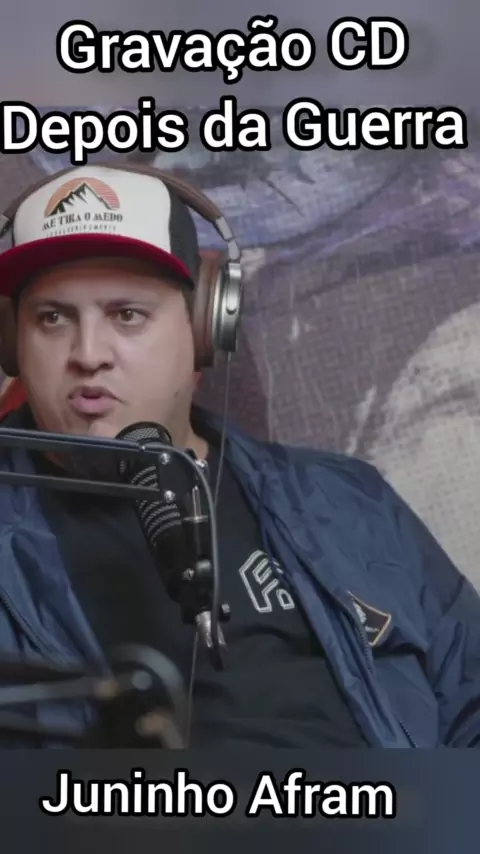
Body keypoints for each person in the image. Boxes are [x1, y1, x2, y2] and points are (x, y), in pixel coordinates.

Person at [0, 163, 478, 750]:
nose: (89, 353)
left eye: (127, 315)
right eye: (53, 318)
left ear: (206, 325)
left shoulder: (353, 505)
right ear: (12, 341)